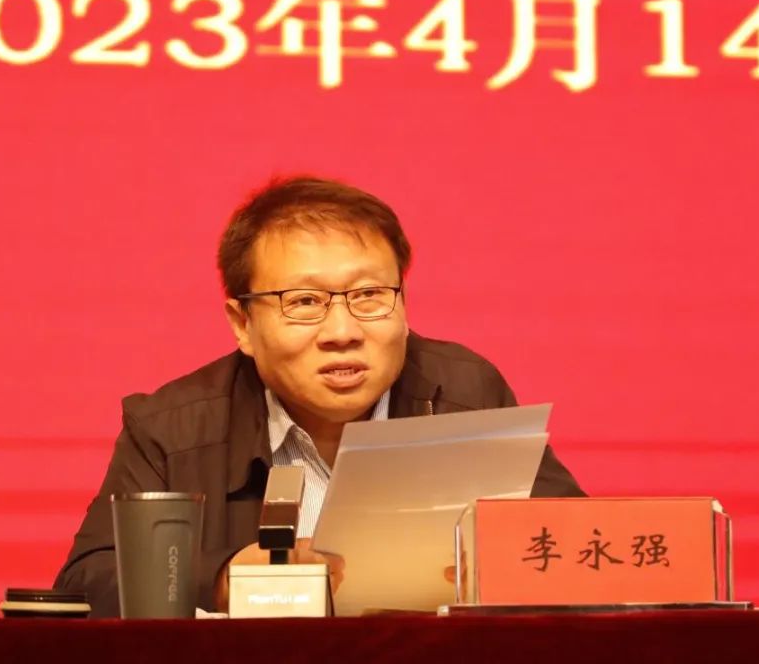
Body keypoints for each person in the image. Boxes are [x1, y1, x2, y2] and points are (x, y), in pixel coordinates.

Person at [54, 176, 584, 616]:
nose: (342, 332)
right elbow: (88, 582)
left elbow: (579, 554)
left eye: (369, 295)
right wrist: (222, 579)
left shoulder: (466, 393)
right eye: (304, 301)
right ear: (242, 324)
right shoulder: (172, 428)